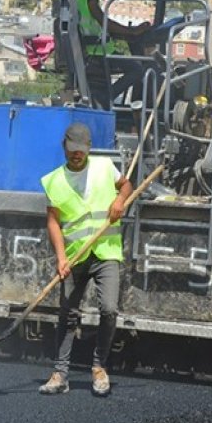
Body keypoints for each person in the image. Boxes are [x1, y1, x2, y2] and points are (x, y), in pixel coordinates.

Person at [37, 122, 131, 397]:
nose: (76, 154)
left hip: (106, 251)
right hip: (76, 255)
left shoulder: (103, 167)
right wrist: (61, 257)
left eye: (81, 150)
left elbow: (126, 185)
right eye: (72, 150)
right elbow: (53, 222)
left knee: (110, 309)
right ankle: (60, 374)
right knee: (68, 313)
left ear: (88, 148)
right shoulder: (54, 180)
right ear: (64, 147)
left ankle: (99, 367)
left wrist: (120, 201)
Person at [71, 0, 151, 107]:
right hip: (96, 52)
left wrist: (125, 33)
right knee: (137, 70)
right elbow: (103, 21)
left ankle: (104, 99)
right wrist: (132, 32)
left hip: (75, 51)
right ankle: (106, 98)